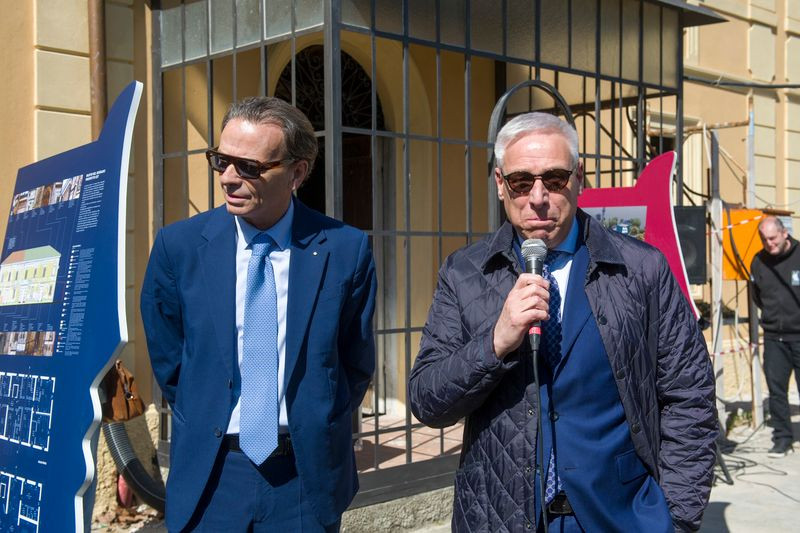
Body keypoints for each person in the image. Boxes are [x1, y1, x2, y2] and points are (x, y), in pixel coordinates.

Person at [408, 113, 717, 532]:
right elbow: (427, 401)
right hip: (502, 516)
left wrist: (676, 518)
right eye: (521, 182)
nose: (538, 197)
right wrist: (495, 342)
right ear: (500, 183)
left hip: (620, 515)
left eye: (554, 179)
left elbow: (690, 395)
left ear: (578, 177)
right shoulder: (465, 272)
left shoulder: (640, 268)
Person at [141, 96, 376, 531]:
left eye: (248, 167)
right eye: (221, 161)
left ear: (297, 173)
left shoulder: (345, 249)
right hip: (212, 474)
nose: (228, 178)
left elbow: (354, 361)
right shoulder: (179, 247)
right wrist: (205, 405)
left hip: (304, 477)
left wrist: (318, 418)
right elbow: (169, 358)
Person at [750, 216, 800, 457]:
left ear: (784, 234)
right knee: (776, 390)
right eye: (764, 239)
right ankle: (782, 439)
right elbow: (757, 296)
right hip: (773, 337)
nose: (769, 243)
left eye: (773, 238)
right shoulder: (758, 262)